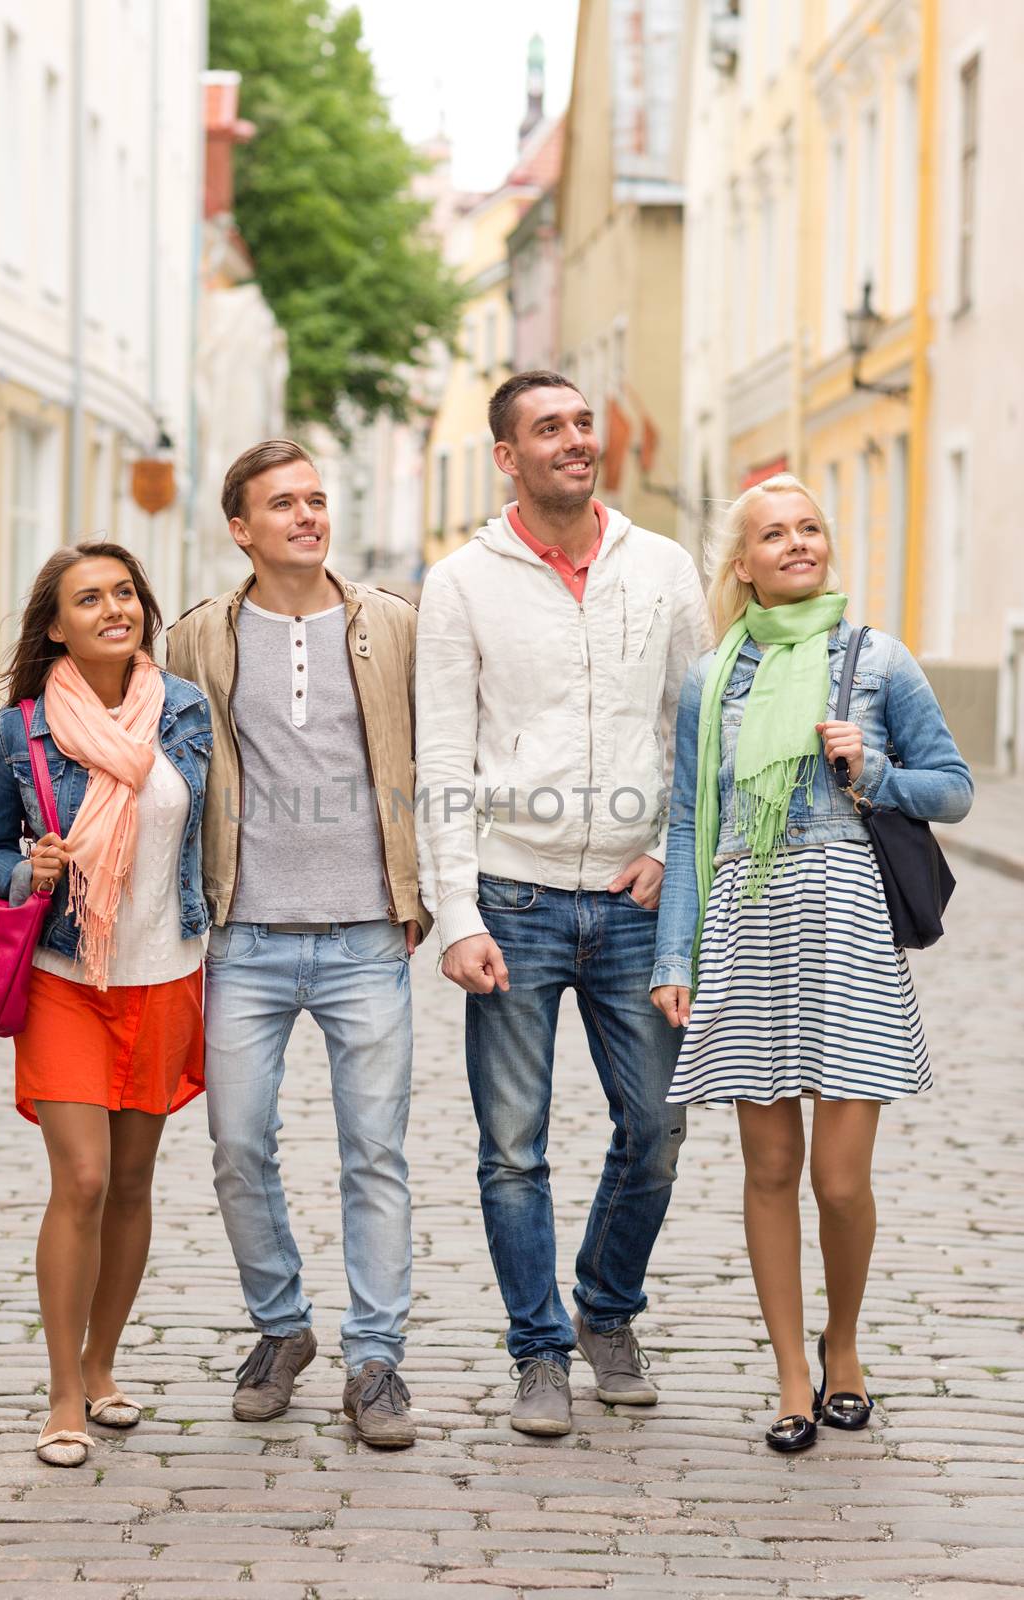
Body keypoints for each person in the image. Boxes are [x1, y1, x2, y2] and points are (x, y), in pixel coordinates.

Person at [650, 473, 973, 1453]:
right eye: (773, 534)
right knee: (768, 1167)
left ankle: (845, 1348)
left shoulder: (879, 661)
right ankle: (793, 1374)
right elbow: (688, 819)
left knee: (838, 1180)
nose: (796, 543)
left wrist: (872, 774)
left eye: (809, 528)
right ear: (742, 564)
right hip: (749, 921)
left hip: (843, 919)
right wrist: (676, 952)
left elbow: (951, 789)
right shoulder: (713, 679)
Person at [415, 370, 711, 1436]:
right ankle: (538, 1350)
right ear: (507, 455)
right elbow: (443, 753)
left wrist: (675, 852)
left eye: (583, 422)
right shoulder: (462, 582)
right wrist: (457, 913)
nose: (576, 440)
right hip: (513, 895)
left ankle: (605, 1308)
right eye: (550, 428)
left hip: (633, 901)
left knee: (659, 1124)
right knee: (512, 1145)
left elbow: (697, 726)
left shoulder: (664, 567)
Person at [167, 439, 429, 1449]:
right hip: (245, 935)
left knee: (375, 1153)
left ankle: (377, 1360)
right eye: (283, 503)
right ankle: (281, 1327)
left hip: (368, 931)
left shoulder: (391, 625)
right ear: (241, 526)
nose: (306, 515)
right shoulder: (200, 635)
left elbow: (440, 753)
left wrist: (426, 893)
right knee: (238, 1145)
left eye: (317, 498)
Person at [0, 541, 212, 1468]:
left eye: (123, 593)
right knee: (83, 1179)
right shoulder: (21, 729)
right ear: (56, 624)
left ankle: (103, 1366)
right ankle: (63, 1392)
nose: (112, 609)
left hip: (166, 972)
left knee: (136, 1183)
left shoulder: (185, 712)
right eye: (87, 599)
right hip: (68, 978)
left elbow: (212, 834)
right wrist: (22, 868)